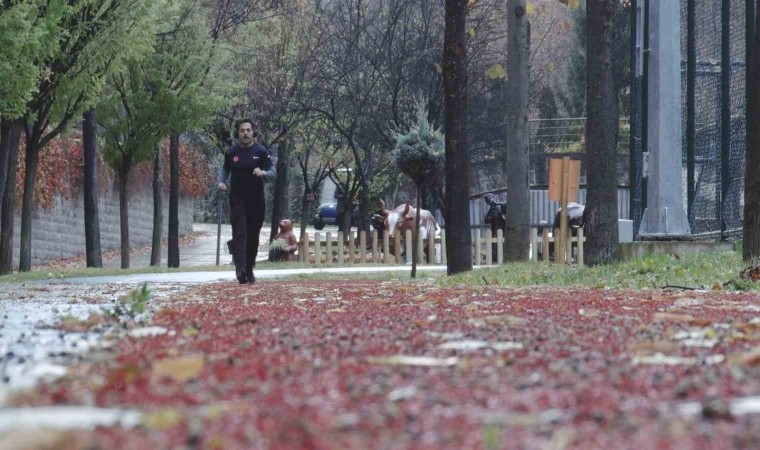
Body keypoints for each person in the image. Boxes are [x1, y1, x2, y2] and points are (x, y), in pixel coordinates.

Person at [218, 119, 276, 284]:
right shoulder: (231, 152)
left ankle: (249, 268)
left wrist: (263, 173)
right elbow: (225, 169)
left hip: (256, 200)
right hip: (237, 199)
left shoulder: (261, 151)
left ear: (253, 132)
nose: (245, 133)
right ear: (237, 133)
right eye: (242, 130)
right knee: (239, 233)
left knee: (252, 236)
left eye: (248, 130)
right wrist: (221, 181)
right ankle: (240, 268)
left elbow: (273, 172)